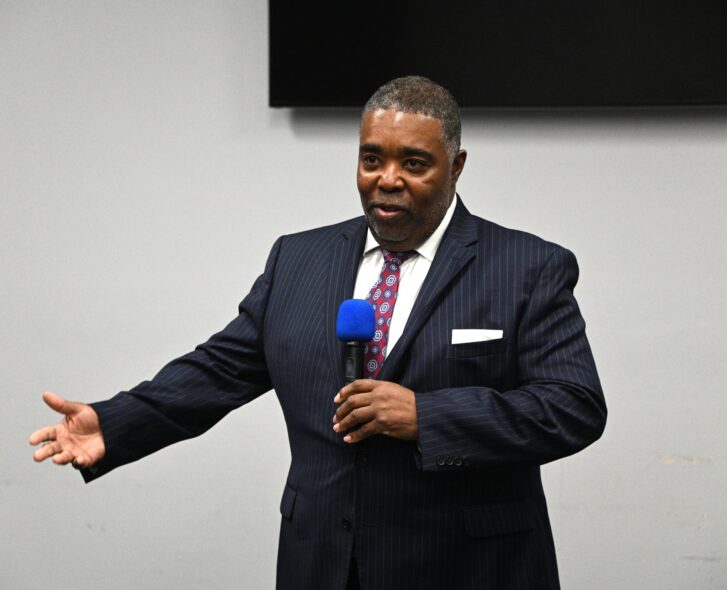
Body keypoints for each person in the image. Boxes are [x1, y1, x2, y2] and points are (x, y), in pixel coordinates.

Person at [29, 76, 606, 590]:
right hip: (325, 562)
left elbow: (573, 406)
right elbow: (220, 369)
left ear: (455, 167)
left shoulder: (526, 266)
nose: (388, 180)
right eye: (371, 159)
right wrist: (115, 423)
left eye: (414, 164)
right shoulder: (298, 259)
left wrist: (425, 416)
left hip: (470, 567)